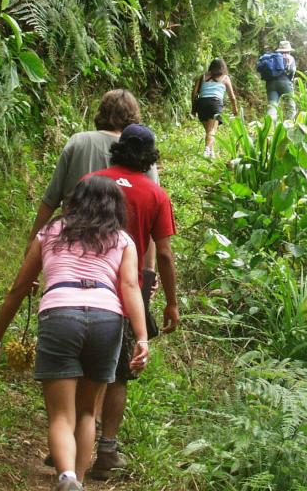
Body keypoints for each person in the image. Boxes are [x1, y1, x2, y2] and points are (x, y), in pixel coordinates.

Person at [0, 176, 150, 491]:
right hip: (106, 318)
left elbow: (19, 289)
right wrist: (140, 338)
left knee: (60, 415)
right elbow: (129, 287)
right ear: (115, 209)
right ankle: (79, 483)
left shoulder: (50, 232)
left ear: (73, 203)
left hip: (60, 313)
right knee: (87, 412)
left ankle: (66, 477)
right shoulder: (123, 240)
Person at [86, 123, 179, 480]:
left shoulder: (91, 182)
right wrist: (171, 302)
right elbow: (166, 255)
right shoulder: (155, 194)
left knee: (84, 365)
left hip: (85, 282)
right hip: (129, 289)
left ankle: (69, 442)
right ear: (151, 157)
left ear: (119, 149)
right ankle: (105, 452)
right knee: (118, 373)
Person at [29, 89, 157, 242]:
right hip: (121, 249)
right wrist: (148, 264)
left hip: (72, 240)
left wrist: (32, 239)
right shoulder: (142, 152)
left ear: (101, 113)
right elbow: (151, 212)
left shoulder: (78, 142)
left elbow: (51, 199)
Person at [190, 58, 239, 158]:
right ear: (223, 67)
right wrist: (235, 110)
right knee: (212, 130)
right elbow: (232, 97)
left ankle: (212, 153)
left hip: (201, 104)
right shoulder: (225, 78)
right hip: (214, 104)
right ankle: (207, 150)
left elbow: (194, 93)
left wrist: (193, 108)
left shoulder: (203, 76)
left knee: (208, 131)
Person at [257, 40, 297, 120]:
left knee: (272, 107)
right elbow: (292, 71)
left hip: (271, 84)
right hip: (285, 83)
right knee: (290, 107)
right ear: (289, 50)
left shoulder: (272, 57)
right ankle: (289, 127)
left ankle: (271, 129)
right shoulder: (290, 58)